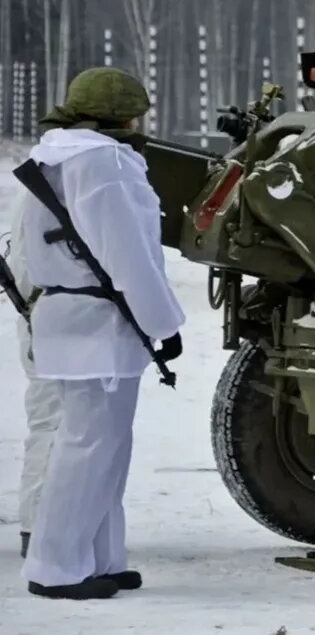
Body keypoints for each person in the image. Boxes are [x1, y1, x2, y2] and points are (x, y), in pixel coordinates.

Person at [18, 67, 185, 600]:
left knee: (103, 445)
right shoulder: (105, 163)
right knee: (90, 446)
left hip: (69, 319)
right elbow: (129, 255)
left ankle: (99, 558)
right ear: (126, 116)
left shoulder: (55, 157)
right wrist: (163, 324)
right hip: (99, 325)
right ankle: (57, 567)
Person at [5, 193, 65, 560]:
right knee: (53, 425)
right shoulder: (50, 187)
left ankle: (41, 526)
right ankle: (39, 528)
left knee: (51, 424)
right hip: (48, 317)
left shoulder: (40, 184)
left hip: (42, 314)